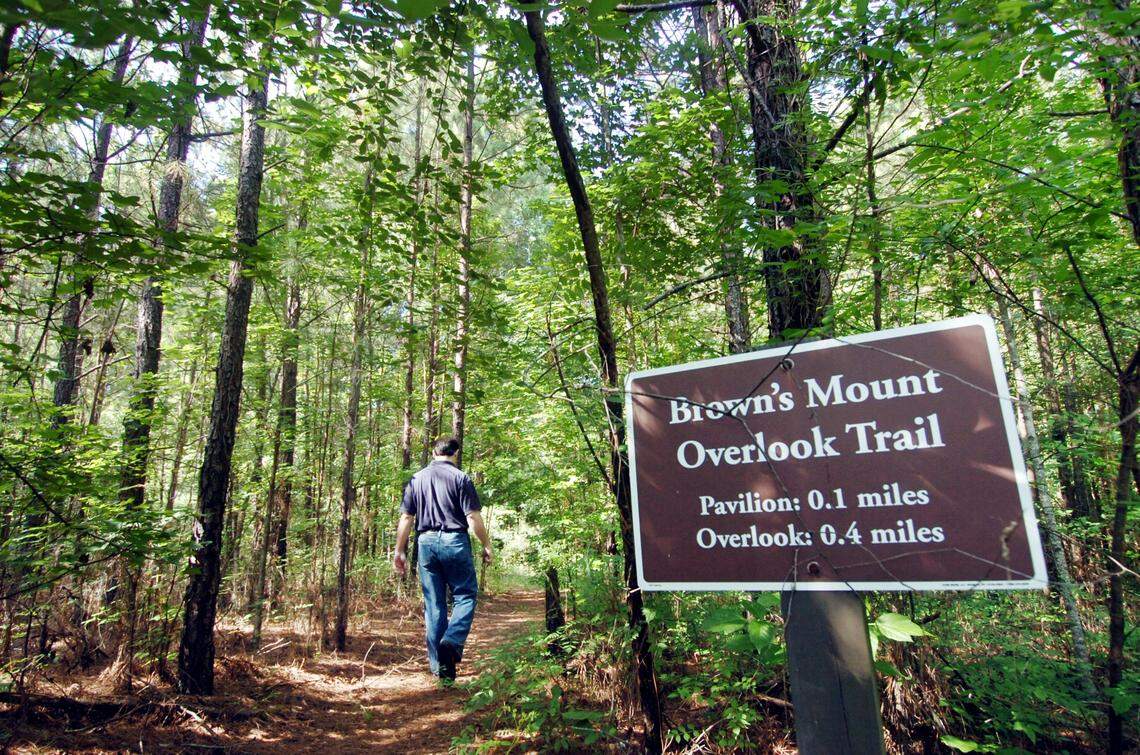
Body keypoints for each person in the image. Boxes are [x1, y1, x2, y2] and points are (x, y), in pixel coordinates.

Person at [394, 436, 492, 682]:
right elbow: (473, 518)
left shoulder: (417, 479)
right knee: (466, 595)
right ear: (455, 454)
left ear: (434, 452)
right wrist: (486, 544)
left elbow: (406, 518)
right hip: (454, 540)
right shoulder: (461, 478)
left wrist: (399, 550)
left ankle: (441, 670)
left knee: (434, 604)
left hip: (425, 542)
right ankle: (452, 640)